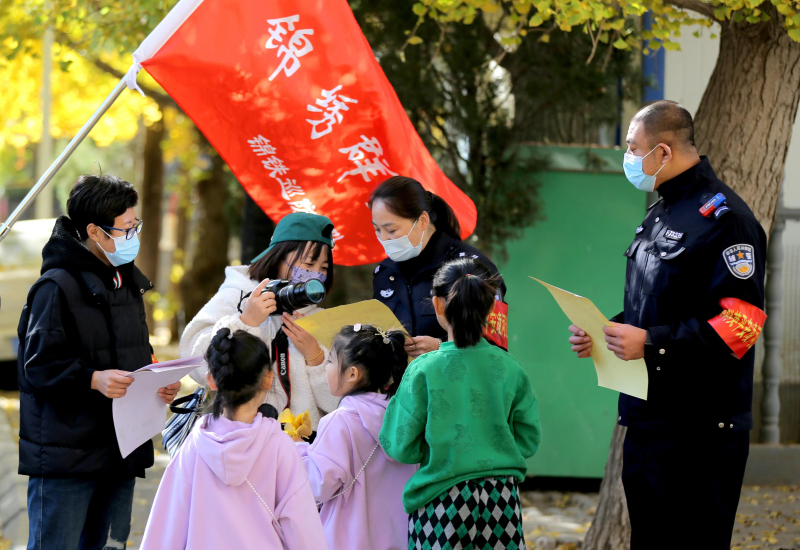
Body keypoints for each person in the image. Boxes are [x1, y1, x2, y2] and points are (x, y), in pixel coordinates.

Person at [567, 100, 767, 550]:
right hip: (649, 424)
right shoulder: (660, 213)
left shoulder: (726, 220)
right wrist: (606, 332)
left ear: (662, 151)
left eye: (632, 148)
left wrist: (652, 344)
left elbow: (741, 324)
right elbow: (653, 309)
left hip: (700, 433)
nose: (627, 157)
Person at [17, 174, 181, 550]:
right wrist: (93, 379)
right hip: (67, 460)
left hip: (120, 449)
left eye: (135, 225)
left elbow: (137, 356)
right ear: (94, 231)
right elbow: (37, 367)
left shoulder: (125, 283)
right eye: (126, 228)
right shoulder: (55, 287)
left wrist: (158, 383)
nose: (133, 235)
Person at [380, 257, 541, 550]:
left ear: (438, 305)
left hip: (440, 501)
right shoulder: (511, 368)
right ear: (492, 307)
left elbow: (400, 445)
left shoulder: (423, 369)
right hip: (500, 498)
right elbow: (528, 440)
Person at [141, 328, 327, 549]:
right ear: (268, 379)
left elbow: (168, 526)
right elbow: (301, 525)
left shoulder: (194, 445)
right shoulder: (280, 446)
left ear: (211, 381)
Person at [180, 212, 340, 431]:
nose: (315, 275)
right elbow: (196, 362)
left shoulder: (318, 318)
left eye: (323, 268)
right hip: (239, 440)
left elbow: (336, 402)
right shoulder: (238, 295)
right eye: (309, 263)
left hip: (300, 451)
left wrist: (315, 356)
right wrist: (245, 323)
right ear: (278, 256)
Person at [295, 324, 416, 550]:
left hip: (348, 541)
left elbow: (319, 485)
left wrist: (298, 450)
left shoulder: (340, 422)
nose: (327, 368)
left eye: (330, 361)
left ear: (352, 373)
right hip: (400, 538)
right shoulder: (403, 418)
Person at [370, 176, 507, 358]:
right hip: (401, 385)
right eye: (377, 230)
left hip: (456, 382)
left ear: (422, 221)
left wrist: (442, 346)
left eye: (392, 230)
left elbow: (495, 344)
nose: (384, 238)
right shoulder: (385, 273)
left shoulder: (471, 268)